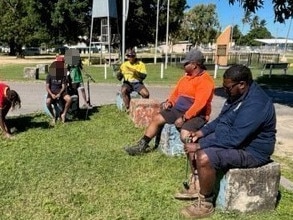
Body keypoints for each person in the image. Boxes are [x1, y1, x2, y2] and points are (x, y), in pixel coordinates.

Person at [180, 64, 276, 219]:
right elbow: (220, 121)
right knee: (193, 141)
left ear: (242, 84)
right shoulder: (236, 96)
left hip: (252, 151)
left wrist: (200, 145)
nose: (224, 91)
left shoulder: (256, 104)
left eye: (228, 87)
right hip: (237, 142)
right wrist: (200, 133)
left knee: (204, 156)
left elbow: (235, 139)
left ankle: (206, 203)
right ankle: (197, 185)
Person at [124, 49, 214, 157]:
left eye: (186, 63)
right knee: (157, 118)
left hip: (197, 115)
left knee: (184, 134)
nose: (183, 65)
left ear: (194, 65)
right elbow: (176, 93)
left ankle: (197, 157)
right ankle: (142, 145)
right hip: (178, 110)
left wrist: (185, 118)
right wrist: (170, 102)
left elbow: (200, 104)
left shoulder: (205, 81)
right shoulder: (186, 77)